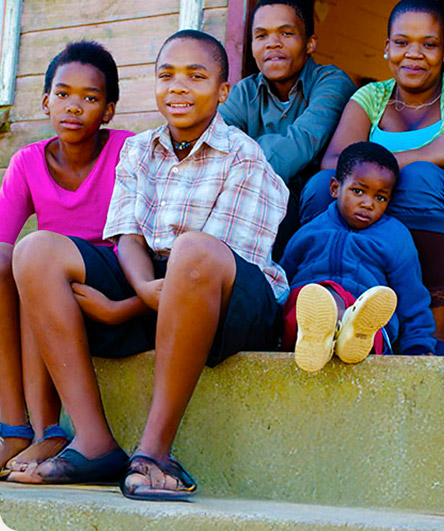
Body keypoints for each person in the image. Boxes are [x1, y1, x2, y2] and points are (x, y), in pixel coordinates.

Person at [11, 30, 289, 498]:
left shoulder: (244, 156)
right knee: (35, 249)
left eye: (196, 77)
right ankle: (94, 440)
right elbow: (129, 235)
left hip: (231, 304)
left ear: (223, 92)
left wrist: (121, 309)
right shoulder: (139, 150)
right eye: (167, 76)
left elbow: (207, 266)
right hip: (157, 291)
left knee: (192, 250)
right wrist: (139, 287)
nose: (178, 87)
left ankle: (155, 451)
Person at [300, 0, 444, 341]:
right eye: (402, 43)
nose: (414, 54)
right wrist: (428, 153)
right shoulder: (370, 98)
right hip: (376, 249)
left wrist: (385, 183)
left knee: (422, 181)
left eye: (429, 44)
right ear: (387, 47)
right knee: (321, 186)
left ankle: (429, 341)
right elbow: (333, 167)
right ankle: (324, 310)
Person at [0, 41, 146, 478]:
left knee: (35, 254)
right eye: (63, 94)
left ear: (109, 110)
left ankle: (57, 430)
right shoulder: (28, 161)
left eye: (90, 98)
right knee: (10, 263)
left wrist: (123, 306)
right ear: (45, 101)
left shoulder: (128, 150)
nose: (74, 106)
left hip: (117, 279)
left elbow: (153, 244)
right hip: (52, 280)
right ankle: (16, 426)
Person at [282, 142, 437, 372]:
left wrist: (418, 346)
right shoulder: (310, 232)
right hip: (304, 318)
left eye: (381, 198)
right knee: (312, 297)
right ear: (335, 188)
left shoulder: (394, 237)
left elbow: (412, 296)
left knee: (367, 309)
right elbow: (282, 280)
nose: (368, 204)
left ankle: (349, 335)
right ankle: (323, 336)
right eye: (358, 191)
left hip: (367, 326)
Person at [219, 0, 355, 256]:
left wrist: (241, 157)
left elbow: (299, 146)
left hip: (313, 208)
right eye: (261, 36)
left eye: (286, 34)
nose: (273, 44)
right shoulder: (244, 92)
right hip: (252, 203)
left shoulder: (331, 82)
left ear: (310, 43)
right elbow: (214, 144)